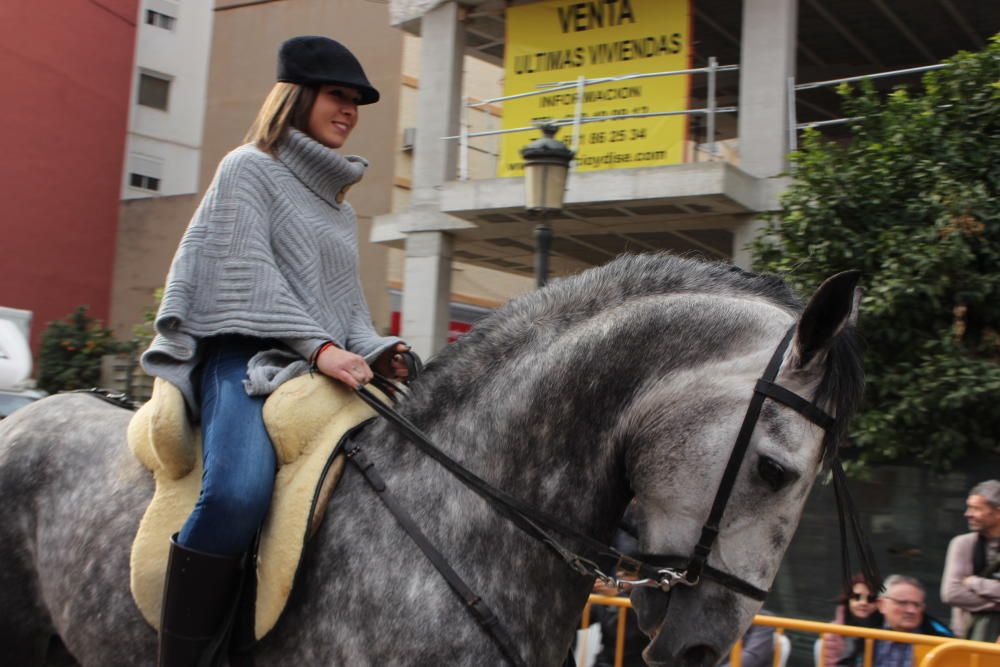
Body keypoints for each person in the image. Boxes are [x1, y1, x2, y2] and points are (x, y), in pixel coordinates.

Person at [140, 35, 410, 666]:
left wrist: (379, 349)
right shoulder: (248, 168)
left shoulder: (337, 209)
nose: (349, 110)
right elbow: (243, 273)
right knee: (236, 494)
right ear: (298, 97)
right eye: (337, 96)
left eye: (356, 101)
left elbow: (345, 310)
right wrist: (319, 349)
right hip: (241, 364)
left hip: (316, 368)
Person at [841, 575, 952, 667]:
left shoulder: (940, 640)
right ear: (882, 605)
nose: (911, 610)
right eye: (902, 603)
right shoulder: (861, 633)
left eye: (917, 605)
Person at [941, 480, 1000, 640]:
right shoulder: (963, 544)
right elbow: (951, 593)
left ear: (997, 512)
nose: (967, 514)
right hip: (966, 640)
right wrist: (996, 605)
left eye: (976, 508)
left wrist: (974, 583)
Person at [820, 574, 883, 666]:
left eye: (871, 598)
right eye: (857, 597)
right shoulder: (833, 631)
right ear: (848, 599)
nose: (863, 603)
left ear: (879, 603)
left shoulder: (887, 628)